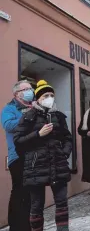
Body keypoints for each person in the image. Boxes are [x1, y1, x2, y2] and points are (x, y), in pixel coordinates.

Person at [13, 80, 72, 231]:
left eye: (52, 95)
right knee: (37, 206)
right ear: (38, 98)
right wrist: (38, 134)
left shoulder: (58, 116)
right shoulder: (28, 116)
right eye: (46, 95)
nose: (50, 98)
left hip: (58, 164)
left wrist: (64, 152)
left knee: (61, 203)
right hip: (36, 167)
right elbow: (18, 141)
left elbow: (67, 138)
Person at [1, 80, 33, 231]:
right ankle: (16, 226)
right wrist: (26, 117)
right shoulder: (9, 108)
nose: (30, 90)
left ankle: (26, 225)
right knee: (19, 191)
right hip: (17, 156)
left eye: (30, 88)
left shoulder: (33, 106)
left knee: (29, 193)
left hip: (33, 156)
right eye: (26, 89)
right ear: (17, 94)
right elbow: (8, 125)